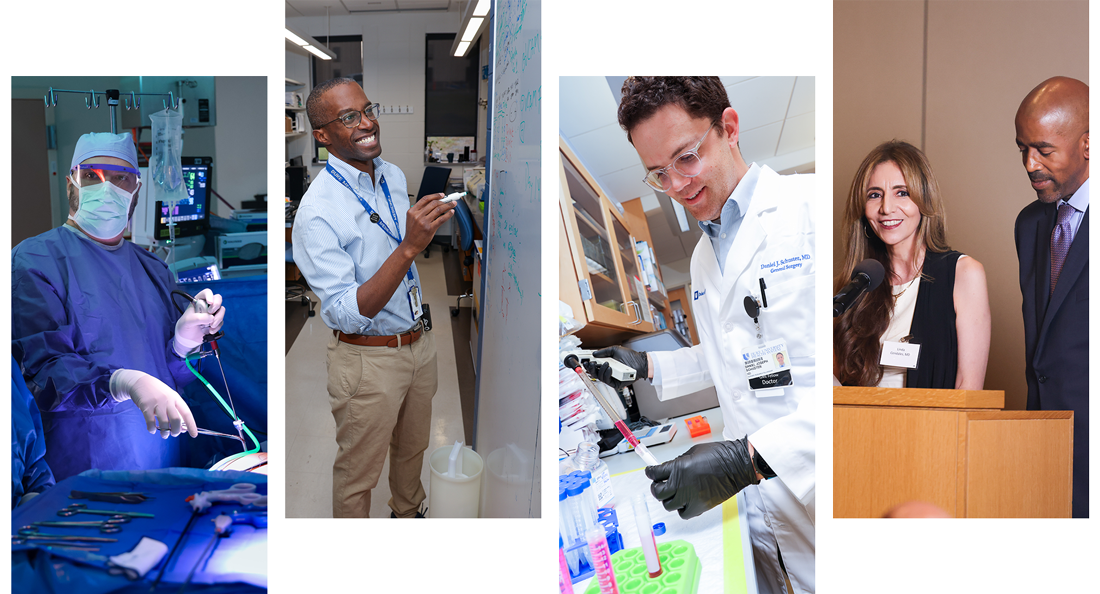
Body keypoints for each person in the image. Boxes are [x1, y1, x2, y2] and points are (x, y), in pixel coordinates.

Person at [587, 77, 815, 593]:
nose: (677, 186)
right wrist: (644, 366)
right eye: (658, 175)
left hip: (822, 495)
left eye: (686, 158)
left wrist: (747, 459)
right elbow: (727, 359)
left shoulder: (811, 211)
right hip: (762, 522)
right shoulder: (701, 257)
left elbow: (857, 392)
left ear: (729, 128)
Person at [11, 132, 224, 481]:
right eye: (92, 176)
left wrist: (183, 343)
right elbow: (44, 374)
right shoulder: (33, 261)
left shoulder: (153, 268)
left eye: (121, 178)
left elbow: (174, 376)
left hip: (160, 454)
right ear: (71, 184)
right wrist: (122, 382)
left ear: (136, 191)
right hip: (81, 463)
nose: (107, 187)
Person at [292, 78, 455, 519]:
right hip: (367, 361)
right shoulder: (316, 213)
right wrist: (409, 247)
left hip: (418, 344)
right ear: (322, 135)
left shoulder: (392, 175)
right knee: (357, 473)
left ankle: (407, 512)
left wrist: (412, 236)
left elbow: (390, 250)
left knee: (413, 449)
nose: (366, 123)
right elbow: (345, 312)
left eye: (367, 109)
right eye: (348, 117)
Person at [833, 141, 990, 389]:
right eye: (875, 195)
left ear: (924, 199)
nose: (886, 208)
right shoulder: (854, 287)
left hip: (932, 427)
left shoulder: (963, 273)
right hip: (857, 425)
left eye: (902, 193)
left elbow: (968, 390)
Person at [1013, 76, 1089, 518]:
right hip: (1041, 447)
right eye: (1022, 148)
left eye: (1043, 149)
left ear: (1087, 143)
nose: (1029, 163)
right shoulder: (1029, 223)